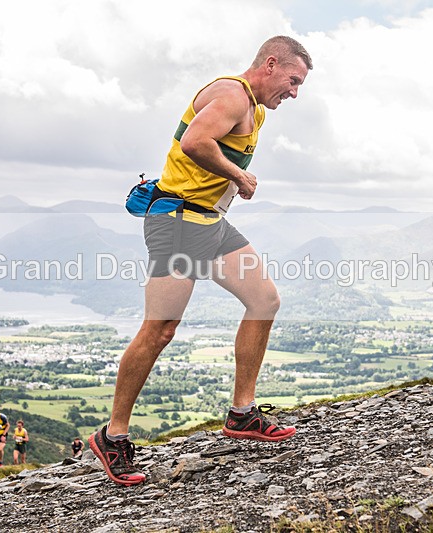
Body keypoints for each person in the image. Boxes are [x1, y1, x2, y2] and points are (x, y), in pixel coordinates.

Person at [89, 35, 313, 486]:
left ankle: (242, 414)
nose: (294, 92)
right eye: (292, 80)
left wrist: (230, 185)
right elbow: (194, 142)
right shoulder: (232, 95)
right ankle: (112, 436)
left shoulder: (256, 108)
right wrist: (239, 176)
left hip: (208, 223)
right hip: (177, 223)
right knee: (160, 330)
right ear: (270, 64)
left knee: (264, 300)